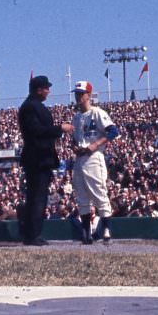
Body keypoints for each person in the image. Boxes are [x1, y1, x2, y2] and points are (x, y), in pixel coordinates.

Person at [16, 75, 72, 245]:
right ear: (38, 89)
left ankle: (32, 234)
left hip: (40, 157)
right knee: (37, 197)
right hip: (37, 158)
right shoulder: (30, 107)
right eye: (46, 88)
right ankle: (33, 235)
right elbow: (36, 130)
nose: (48, 91)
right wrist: (59, 129)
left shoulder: (33, 106)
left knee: (37, 196)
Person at [70, 80, 119, 244]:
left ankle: (106, 229)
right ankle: (86, 233)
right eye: (76, 93)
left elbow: (113, 131)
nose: (78, 96)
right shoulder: (76, 117)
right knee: (82, 197)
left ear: (88, 95)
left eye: (81, 93)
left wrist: (96, 144)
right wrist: (74, 147)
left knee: (99, 194)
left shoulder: (97, 112)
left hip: (94, 156)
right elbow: (74, 139)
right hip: (80, 158)